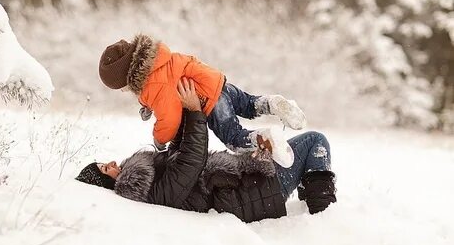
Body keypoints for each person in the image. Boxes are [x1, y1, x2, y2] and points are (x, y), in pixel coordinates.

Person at [76, 79, 336, 222]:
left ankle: (312, 208)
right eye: (104, 169)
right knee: (316, 142)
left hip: (248, 180)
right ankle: (321, 218)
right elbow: (193, 159)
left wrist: (172, 109)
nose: (111, 163)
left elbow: (181, 152)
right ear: (105, 184)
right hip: (254, 192)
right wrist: (194, 111)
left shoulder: (149, 179)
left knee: (308, 147)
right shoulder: (146, 189)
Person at [97, 34, 307, 153]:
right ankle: (273, 103)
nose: (126, 92)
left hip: (210, 101)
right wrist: (148, 105)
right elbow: (169, 85)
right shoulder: (159, 60)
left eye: (122, 88)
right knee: (249, 105)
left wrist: (159, 140)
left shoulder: (153, 84)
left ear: (127, 77)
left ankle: (264, 138)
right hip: (216, 82)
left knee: (234, 138)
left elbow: (170, 119)